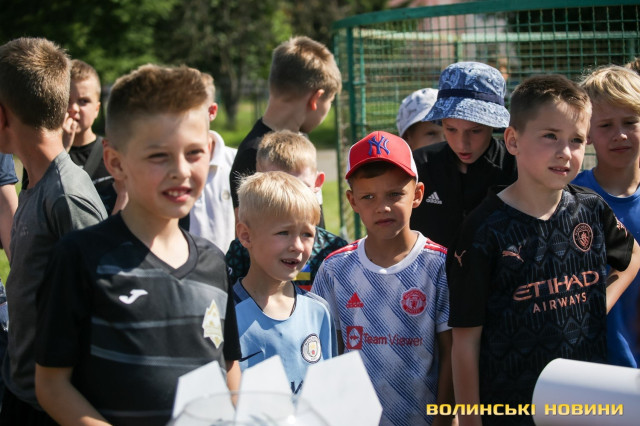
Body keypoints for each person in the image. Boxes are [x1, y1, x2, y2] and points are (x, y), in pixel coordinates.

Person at [34, 64, 241, 425]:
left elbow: (228, 365)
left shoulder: (214, 262)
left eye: (193, 153)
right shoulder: (81, 257)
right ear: (115, 162)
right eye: (159, 156)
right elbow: (51, 384)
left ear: (210, 150)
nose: (180, 170)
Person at [447, 74, 640, 426]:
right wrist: (471, 420)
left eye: (576, 139)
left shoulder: (591, 209)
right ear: (513, 140)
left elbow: (632, 256)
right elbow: (465, 342)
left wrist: (598, 304)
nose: (565, 151)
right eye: (550, 136)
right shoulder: (482, 231)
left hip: (585, 404)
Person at [0, 37, 108, 425]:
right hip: (22, 392)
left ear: (2, 116)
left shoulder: (67, 196)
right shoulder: (36, 184)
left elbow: (102, 311)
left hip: (51, 411)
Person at [312, 131, 453, 426]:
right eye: (368, 197)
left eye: (394, 194)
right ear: (352, 200)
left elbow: (451, 354)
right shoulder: (335, 270)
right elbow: (327, 355)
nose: (382, 207)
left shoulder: (440, 266)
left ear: (417, 194)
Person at [233, 171, 336, 394]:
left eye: (307, 234)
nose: (297, 246)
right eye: (283, 232)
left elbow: (328, 396)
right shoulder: (227, 316)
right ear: (246, 236)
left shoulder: (319, 312)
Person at [228, 36, 342, 226]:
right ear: (316, 98)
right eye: (330, 101)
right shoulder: (255, 155)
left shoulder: (301, 141)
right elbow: (248, 233)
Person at [573, 65, 640, 368]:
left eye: (630, 122)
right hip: (588, 368)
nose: (620, 134)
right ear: (586, 133)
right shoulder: (568, 198)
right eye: (606, 125)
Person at [411, 62, 517, 248]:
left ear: (493, 126)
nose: (462, 144)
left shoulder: (518, 167)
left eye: (475, 131)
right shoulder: (418, 165)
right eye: (451, 129)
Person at [226, 130, 347, 290]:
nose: (289, 198)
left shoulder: (334, 251)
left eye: (300, 186)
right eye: (275, 187)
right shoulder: (243, 249)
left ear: (318, 182)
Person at [21, 59, 117, 213]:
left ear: (97, 109)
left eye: (83, 101)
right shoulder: (39, 154)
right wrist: (60, 150)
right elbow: (32, 207)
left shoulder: (112, 154)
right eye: (66, 101)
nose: (74, 109)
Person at [189, 72, 238, 252]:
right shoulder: (169, 168)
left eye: (193, 110)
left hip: (228, 267)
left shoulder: (237, 163)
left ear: (211, 112)